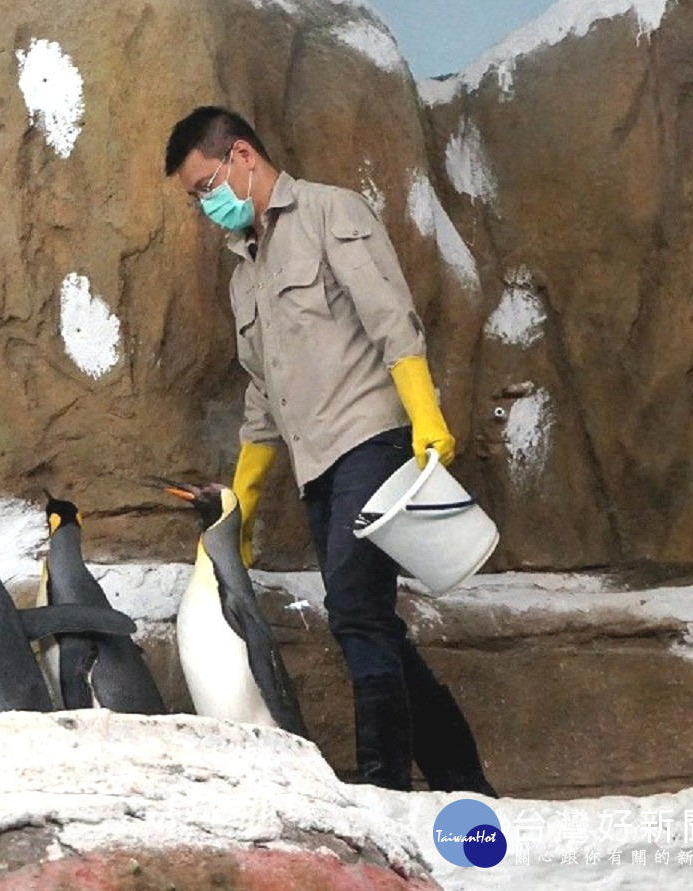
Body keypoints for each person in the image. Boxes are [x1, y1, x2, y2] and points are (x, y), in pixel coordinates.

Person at [163, 106, 495, 795]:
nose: (204, 206)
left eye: (204, 187)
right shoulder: (242, 276)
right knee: (373, 625)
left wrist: (425, 414)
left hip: (371, 441)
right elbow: (262, 396)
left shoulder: (329, 213)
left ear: (242, 158)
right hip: (317, 467)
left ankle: (383, 788)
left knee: (353, 611)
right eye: (195, 198)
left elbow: (389, 316)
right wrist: (242, 507)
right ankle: (463, 781)